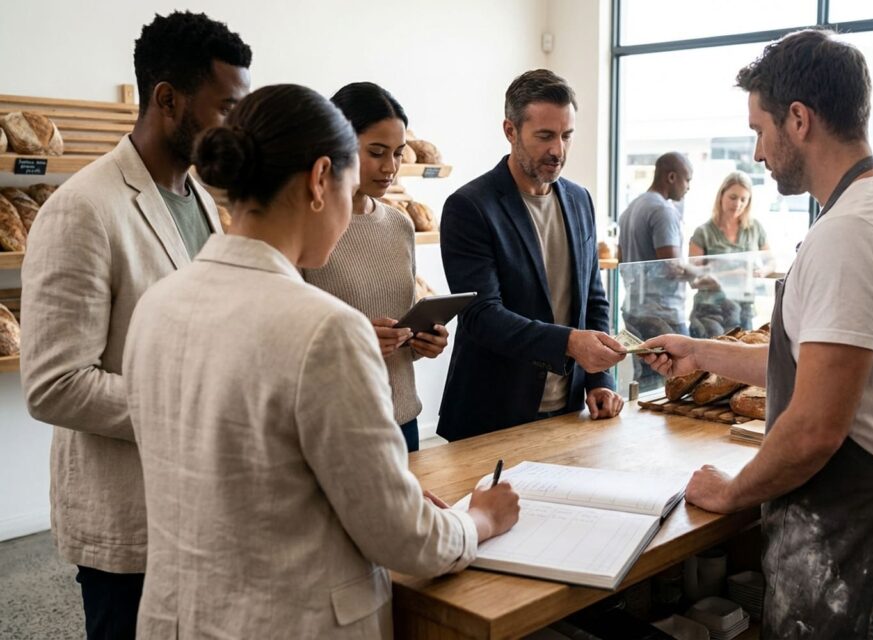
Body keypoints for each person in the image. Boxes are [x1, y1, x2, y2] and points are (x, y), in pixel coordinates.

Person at [123, 84, 520, 638]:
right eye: (353, 181)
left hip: (177, 618)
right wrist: (478, 518)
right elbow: (401, 538)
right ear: (318, 180)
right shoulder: (327, 331)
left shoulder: (157, 305)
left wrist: (389, 490)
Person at [643, 29, 873, 638]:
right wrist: (699, 353)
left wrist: (732, 492)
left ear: (800, 119)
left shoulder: (852, 233)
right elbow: (817, 367)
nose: (757, 153)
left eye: (760, 130)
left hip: (858, 543)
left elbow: (814, 428)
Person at [19, 12, 251, 638]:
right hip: (130, 517)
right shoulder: (82, 210)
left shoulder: (203, 197)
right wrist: (197, 406)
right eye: (225, 107)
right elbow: (55, 384)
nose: (236, 126)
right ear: (167, 100)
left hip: (207, 505)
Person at [439, 69, 625, 442]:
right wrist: (571, 343)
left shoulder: (579, 199)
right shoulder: (469, 207)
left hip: (571, 413)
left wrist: (599, 379)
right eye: (545, 136)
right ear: (510, 131)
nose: (558, 150)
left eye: (566, 135)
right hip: (491, 417)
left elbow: (593, 299)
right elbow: (482, 316)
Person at [305, 82, 444, 452]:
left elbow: (396, 334)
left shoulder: (399, 225)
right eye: (377, 152)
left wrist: (421, 342)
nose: (391, 168)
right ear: (337, 144)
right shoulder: (308, 227)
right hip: (341, 430)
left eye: (398, 153)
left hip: (404, 422)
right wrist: (356, 340)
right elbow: (285, 345)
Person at [617, 152, 693, 390]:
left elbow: (621, 259)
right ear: (671, 177)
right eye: (687, 180)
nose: (688, 187)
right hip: (663, 314)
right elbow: (671, 267)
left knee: (646, 386)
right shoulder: (664, 211)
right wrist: (703, 274)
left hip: (635, 309)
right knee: (676, 386)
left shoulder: (632, 208)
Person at [688, 171, 770, 333]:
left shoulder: (755, 229)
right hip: (710, 312)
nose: (737, 204)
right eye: (733, 197)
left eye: (743, 199)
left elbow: (770, 260)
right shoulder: (703, 232)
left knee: (744, 355)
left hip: (744, 308)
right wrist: (733, 274)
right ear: (721, 195)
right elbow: (694, 280)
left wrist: (762, 271)